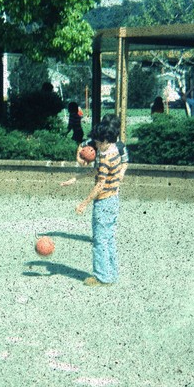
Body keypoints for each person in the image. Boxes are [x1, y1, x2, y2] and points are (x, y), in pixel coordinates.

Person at [68, 117, 127, 287]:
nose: (96, 144)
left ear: (106, 140)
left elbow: (100, 184)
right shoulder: (114, 151)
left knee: (100, 241)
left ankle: (101, 277)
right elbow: (96, 170)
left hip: (104, 202)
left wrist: (84, 203)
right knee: (109, 239)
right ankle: (111, 274)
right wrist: (76, 178)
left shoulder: (105, 158)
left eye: (99, 142)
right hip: (113, 199)